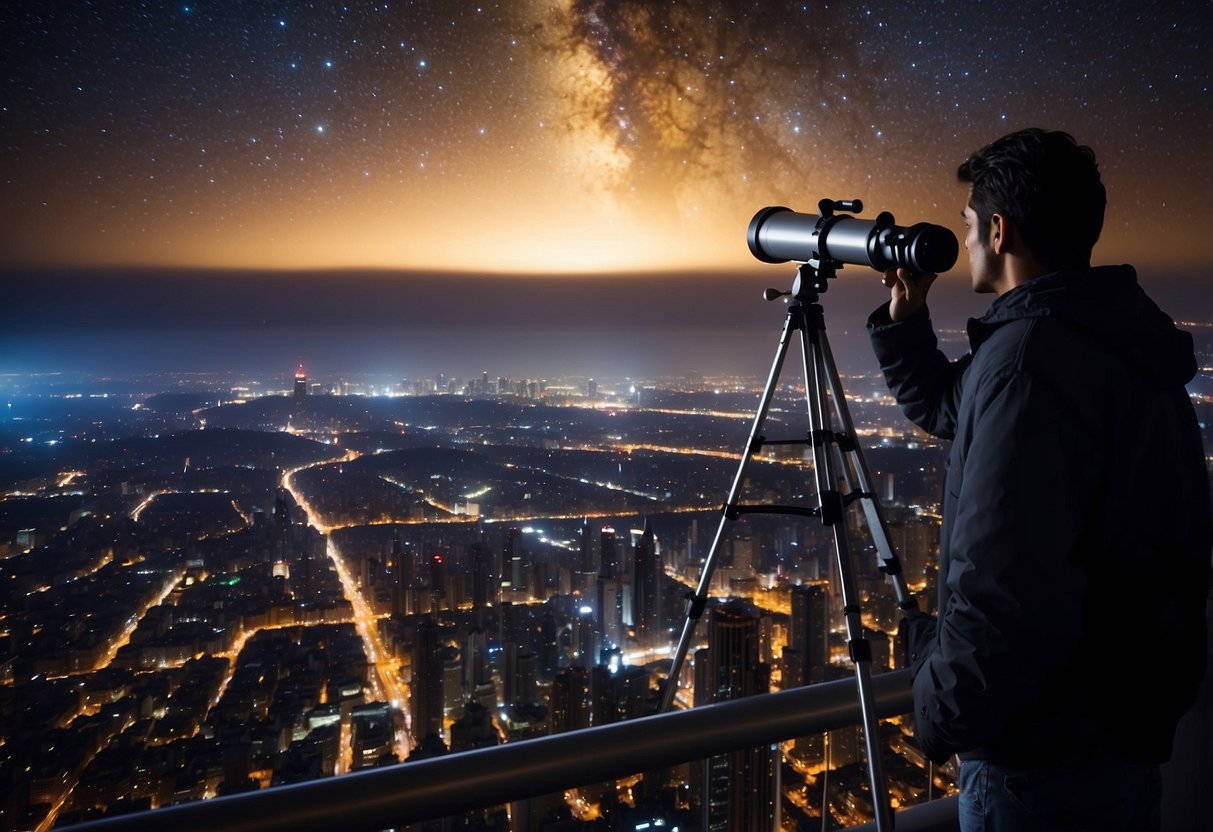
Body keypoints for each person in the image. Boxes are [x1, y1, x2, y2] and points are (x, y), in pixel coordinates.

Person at [867, 128, 1211, 831]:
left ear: (998, 230)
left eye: (967, 225)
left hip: (1039, 758)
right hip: (1115, 734)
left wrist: (939, 709)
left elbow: (1002, 587)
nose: (961, 243)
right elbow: (945, 406)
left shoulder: (1027, 361)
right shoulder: (1100, 336)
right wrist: (905, 322)